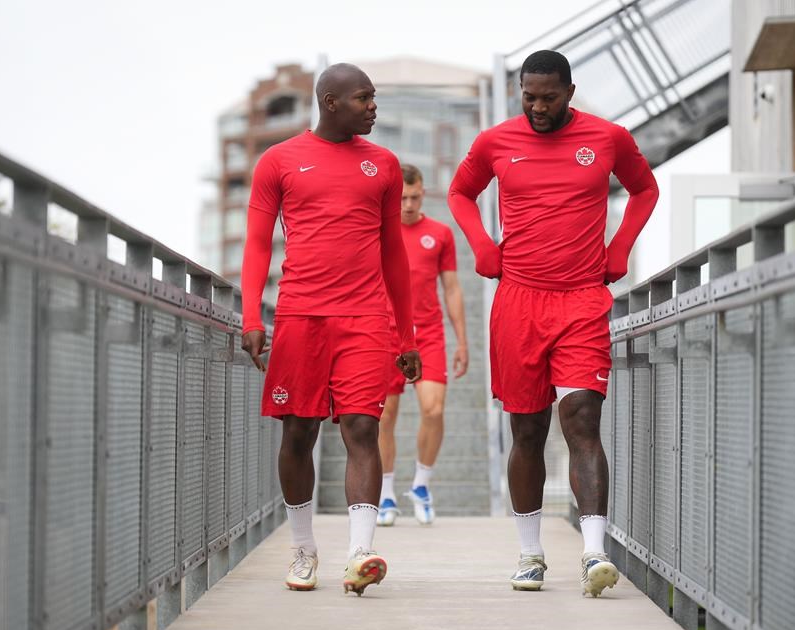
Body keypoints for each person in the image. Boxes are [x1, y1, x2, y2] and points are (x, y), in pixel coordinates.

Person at [447, 49, 658, 596]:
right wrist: (483, 246)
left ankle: (592, 554)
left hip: (582, 299)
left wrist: (619, 248)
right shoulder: (496, 142)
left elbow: (645, 189)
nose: (538, 107)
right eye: (529, 97)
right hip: (518, 301)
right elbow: (460, 192)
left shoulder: (607, 138)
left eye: (549, 97)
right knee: (528, 430)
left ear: (569, 91)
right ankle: (530, 553)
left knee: (582, 419)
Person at [240, 63, 421, 596]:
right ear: (330, 102)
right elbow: (255, 244)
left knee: (362, 429)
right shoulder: (278, 161)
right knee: (298, 433)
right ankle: (302, 547)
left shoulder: (384, 165)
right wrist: (254, 317)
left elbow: (394, 255)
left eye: (374, 98)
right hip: (300, 315)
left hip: (366, 318)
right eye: (364, 98)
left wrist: (406, 336)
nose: (373, 107)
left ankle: (360, 552)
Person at [376, 164, 469, 527]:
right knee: (384, 414)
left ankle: (420, 485)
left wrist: (462, 341)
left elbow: (452, 288)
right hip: (385, 332)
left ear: (423, 193)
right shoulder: (379, 230)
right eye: (403, 198)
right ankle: (385, 493)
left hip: (428, 332)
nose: (410, 204)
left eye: (415, 197)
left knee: (433, 409)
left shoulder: (440, 233)